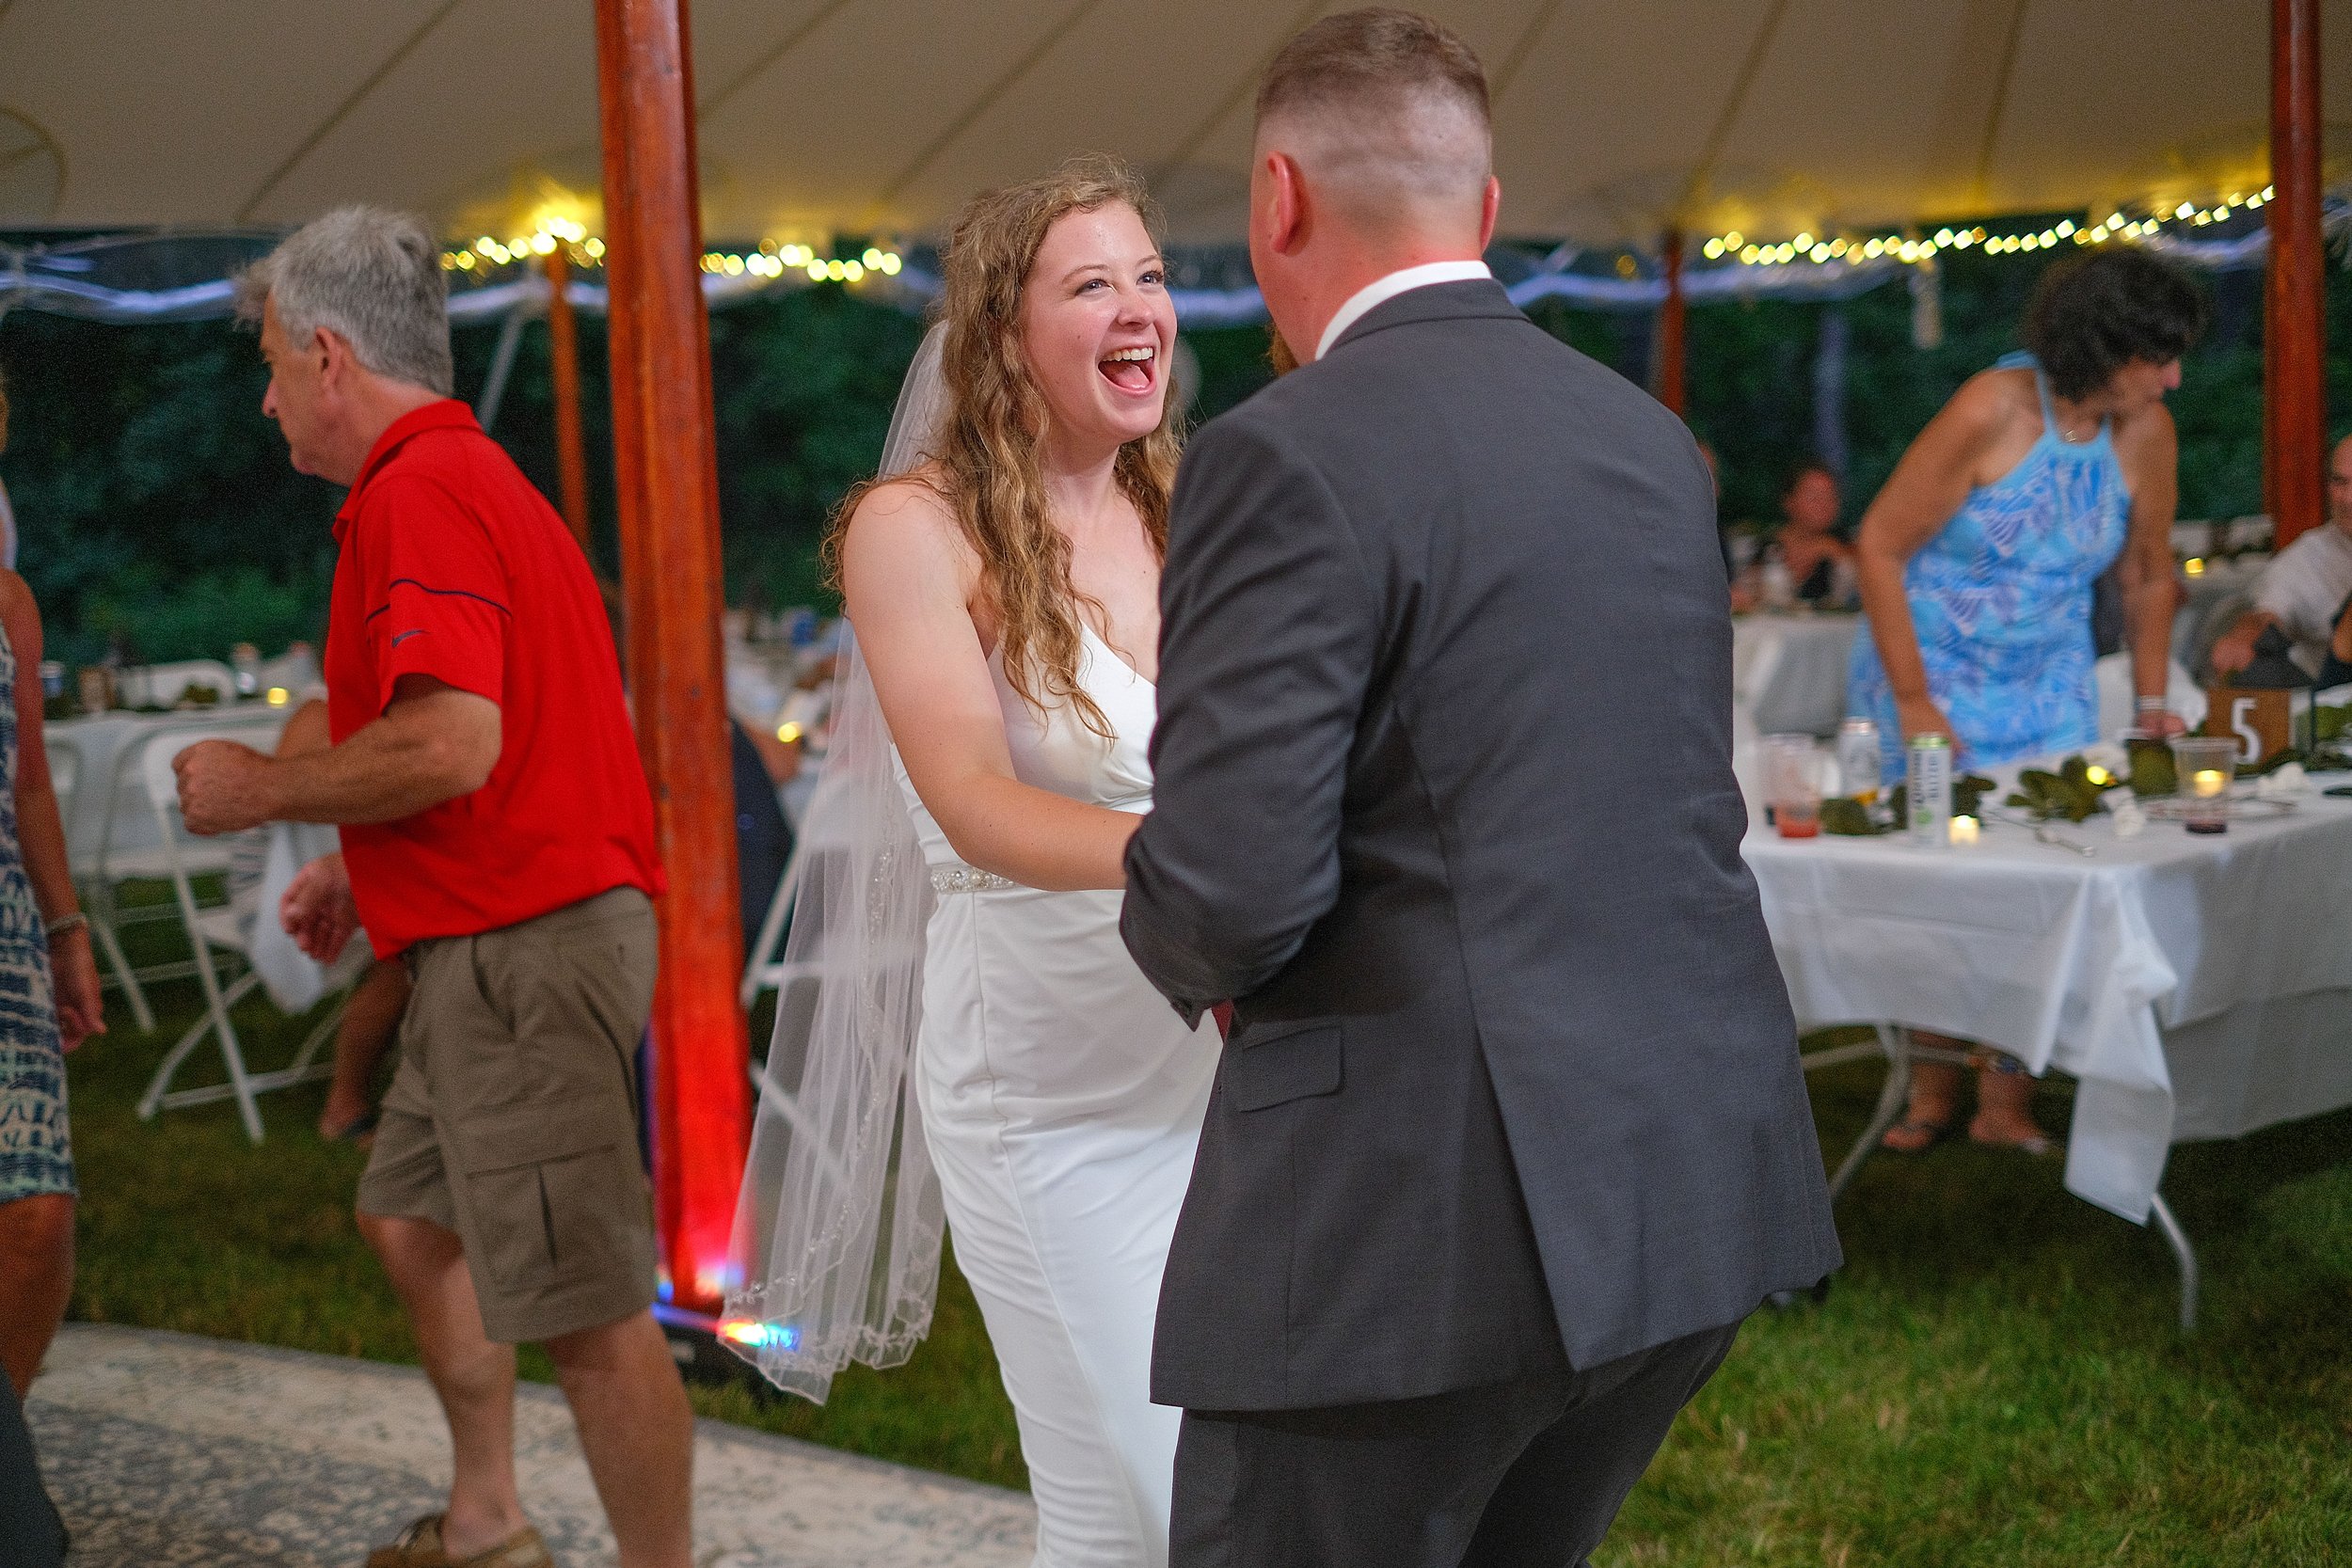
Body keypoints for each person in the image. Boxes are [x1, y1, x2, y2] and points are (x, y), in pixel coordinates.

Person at [1118, 13, 1840, 1565]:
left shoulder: (1280, 452)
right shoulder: (1649, 443)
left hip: (1408, 1229)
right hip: (1673, 1181)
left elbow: (1235, 881)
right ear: (1489, 210)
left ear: (1278, 200)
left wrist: (1163, 933)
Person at [171, 207, 690, 1568]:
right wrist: (362, 855)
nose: (269, 391)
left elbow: (455, 738)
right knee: (409, 1215)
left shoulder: (415, 490)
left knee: (584, 1308)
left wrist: (266, 789)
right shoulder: (457, 475)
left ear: (332, 357)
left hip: (528, 947)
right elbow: (484, 742)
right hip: (488, 932)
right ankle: (486, 1519)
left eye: (278, 361)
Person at [725, 157, 1215, 1568]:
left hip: (1218, 1077)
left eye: (1151, 276)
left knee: (1114, 1508)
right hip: (1048, 1093)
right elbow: (976, 800)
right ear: (1004, 334)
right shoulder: (912, 530)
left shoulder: (1195, 503)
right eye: (1091, 284)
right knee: (1176, 1487)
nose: (1140, 310)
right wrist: (1207, 857)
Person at [1848, 246, 2205, 1155]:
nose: (2172, 376)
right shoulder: (1991, 409)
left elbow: (2149, 571)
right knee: (1938, 893)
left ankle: (2006, 1103)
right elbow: (1880, 545)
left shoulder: (2148, 431)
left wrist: (2152, 700)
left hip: (2050, 681)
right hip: (1930, 673)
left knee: (2041, 887)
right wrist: (1915, 698)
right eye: (2155, 356)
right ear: (2100, 348)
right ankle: (1930, 1089)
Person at [0, 369, 103, 1567]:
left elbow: (29, 780)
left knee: (34, 1213)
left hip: (7, 928)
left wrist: (68, 930)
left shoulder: (10, 605)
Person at [2210, 432, 2352, 679]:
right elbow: (2266, 612)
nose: (2348, 499)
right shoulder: (2308, 557)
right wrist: (2245, 635)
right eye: (2339, 482)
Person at [1738, 461, 1857, 610]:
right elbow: (1744, 594)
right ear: (1789, 501)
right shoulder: (1768, 546)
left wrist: (1837, 554)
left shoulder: (1848, 544)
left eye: (1831, 496)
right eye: (1814, 497)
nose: (1824, 504)